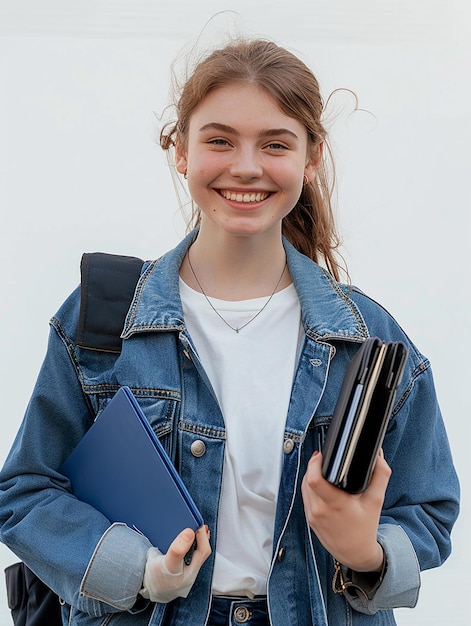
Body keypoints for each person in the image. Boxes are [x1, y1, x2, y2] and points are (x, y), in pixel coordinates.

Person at [0, 37, 459, 626]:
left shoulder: (365, 336)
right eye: (219, 140)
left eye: (275, 144)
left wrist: (364, 552)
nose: (246, 166)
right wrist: (139, 569)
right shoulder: (103, 321)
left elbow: (429, 507)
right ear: (180, 151)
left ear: (310, 158)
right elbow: (27, 490)